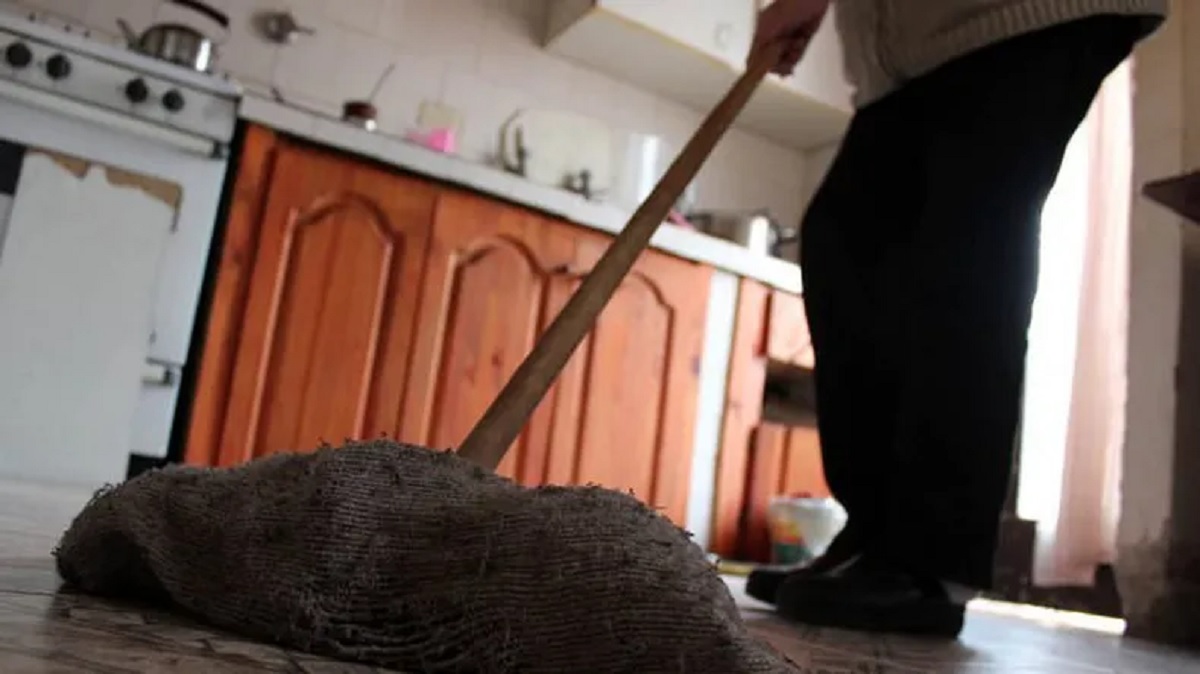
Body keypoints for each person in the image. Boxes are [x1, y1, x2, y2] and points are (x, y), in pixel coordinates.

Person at [744, 0, 1167, 639]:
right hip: (911, 53)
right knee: (845, 242)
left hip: (1021, 15)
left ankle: (931, 565)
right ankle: (876, 540)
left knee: (962, 253)